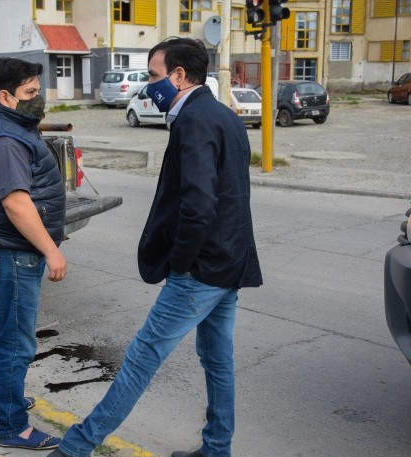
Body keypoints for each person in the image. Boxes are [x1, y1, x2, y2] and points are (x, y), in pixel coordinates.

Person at [47, 37, 263, 457]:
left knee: (142, 358)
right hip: (228, 263)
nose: (149, 86)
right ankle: (217, 449)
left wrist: (181, 264)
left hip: (200, 271)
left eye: (154, 76)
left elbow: (199, 205)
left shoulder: (194, 120)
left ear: (179, 76)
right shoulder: (225, 116)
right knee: (217, 361)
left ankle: (75, 448)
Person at [0, 57, 67, 451]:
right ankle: (14, 428)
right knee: (16, 342)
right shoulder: (4, 140)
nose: (37, 99)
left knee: (3, 330)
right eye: (29, 93)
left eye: (37, 91)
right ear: (5, 97)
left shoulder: (7, 124)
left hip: (2, 250)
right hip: (11, 253)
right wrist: (51, 250)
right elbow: (16, 204)